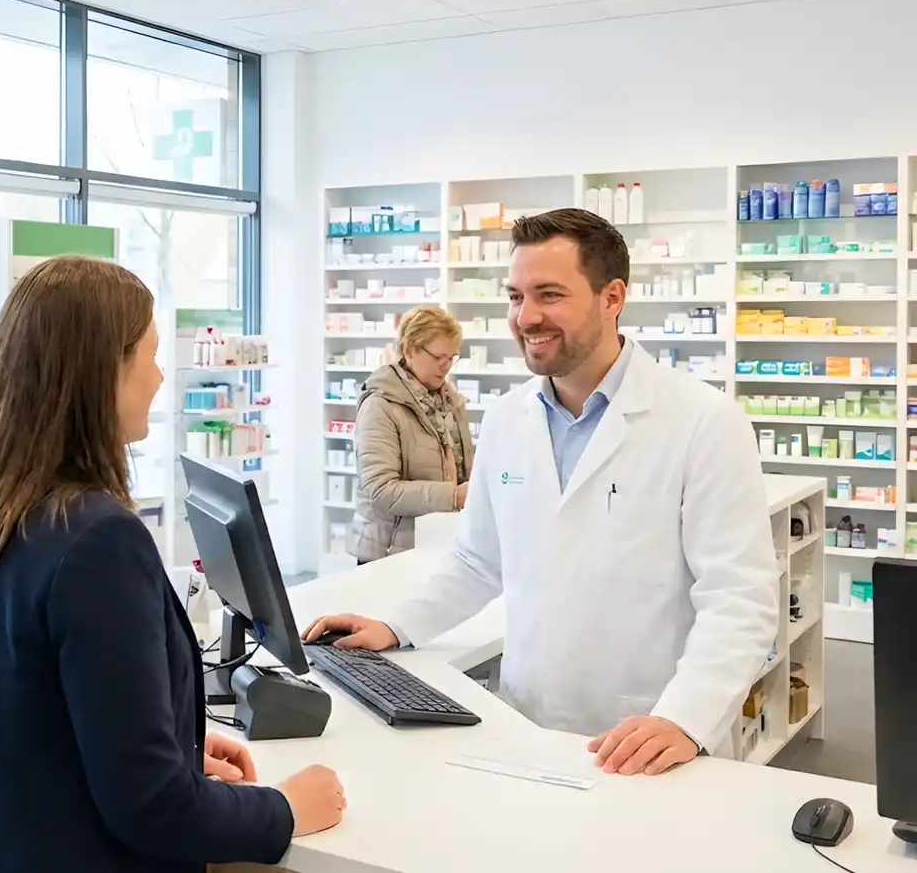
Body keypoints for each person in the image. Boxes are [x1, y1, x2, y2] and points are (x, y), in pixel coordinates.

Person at [0, 255, 345, 873]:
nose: (161, 377)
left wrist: (174, 743)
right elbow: (152, 809)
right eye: (150, 355)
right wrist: (286, 808)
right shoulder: (95, 540)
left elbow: (7, 718)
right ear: (101, 371)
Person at [304, 208, 778, 777]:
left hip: (649, 736)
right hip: (524, 725)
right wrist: (397, 626)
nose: (526, 317)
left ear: (612, 297)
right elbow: (478, 559)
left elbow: (739, 599)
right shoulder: (508, 417)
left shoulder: (704, 421)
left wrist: (685, 717)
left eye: (549, 294)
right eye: (515, 296)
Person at [349, 305, 474, 562]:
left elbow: (463, 471)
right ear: (409, 351)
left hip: (438, 544)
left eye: (452, 357)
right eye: (438, 357)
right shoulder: (381, 405)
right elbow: (381, 490)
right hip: (388, 553)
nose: (446, 366)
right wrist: (453, 496)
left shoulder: (451, 402)